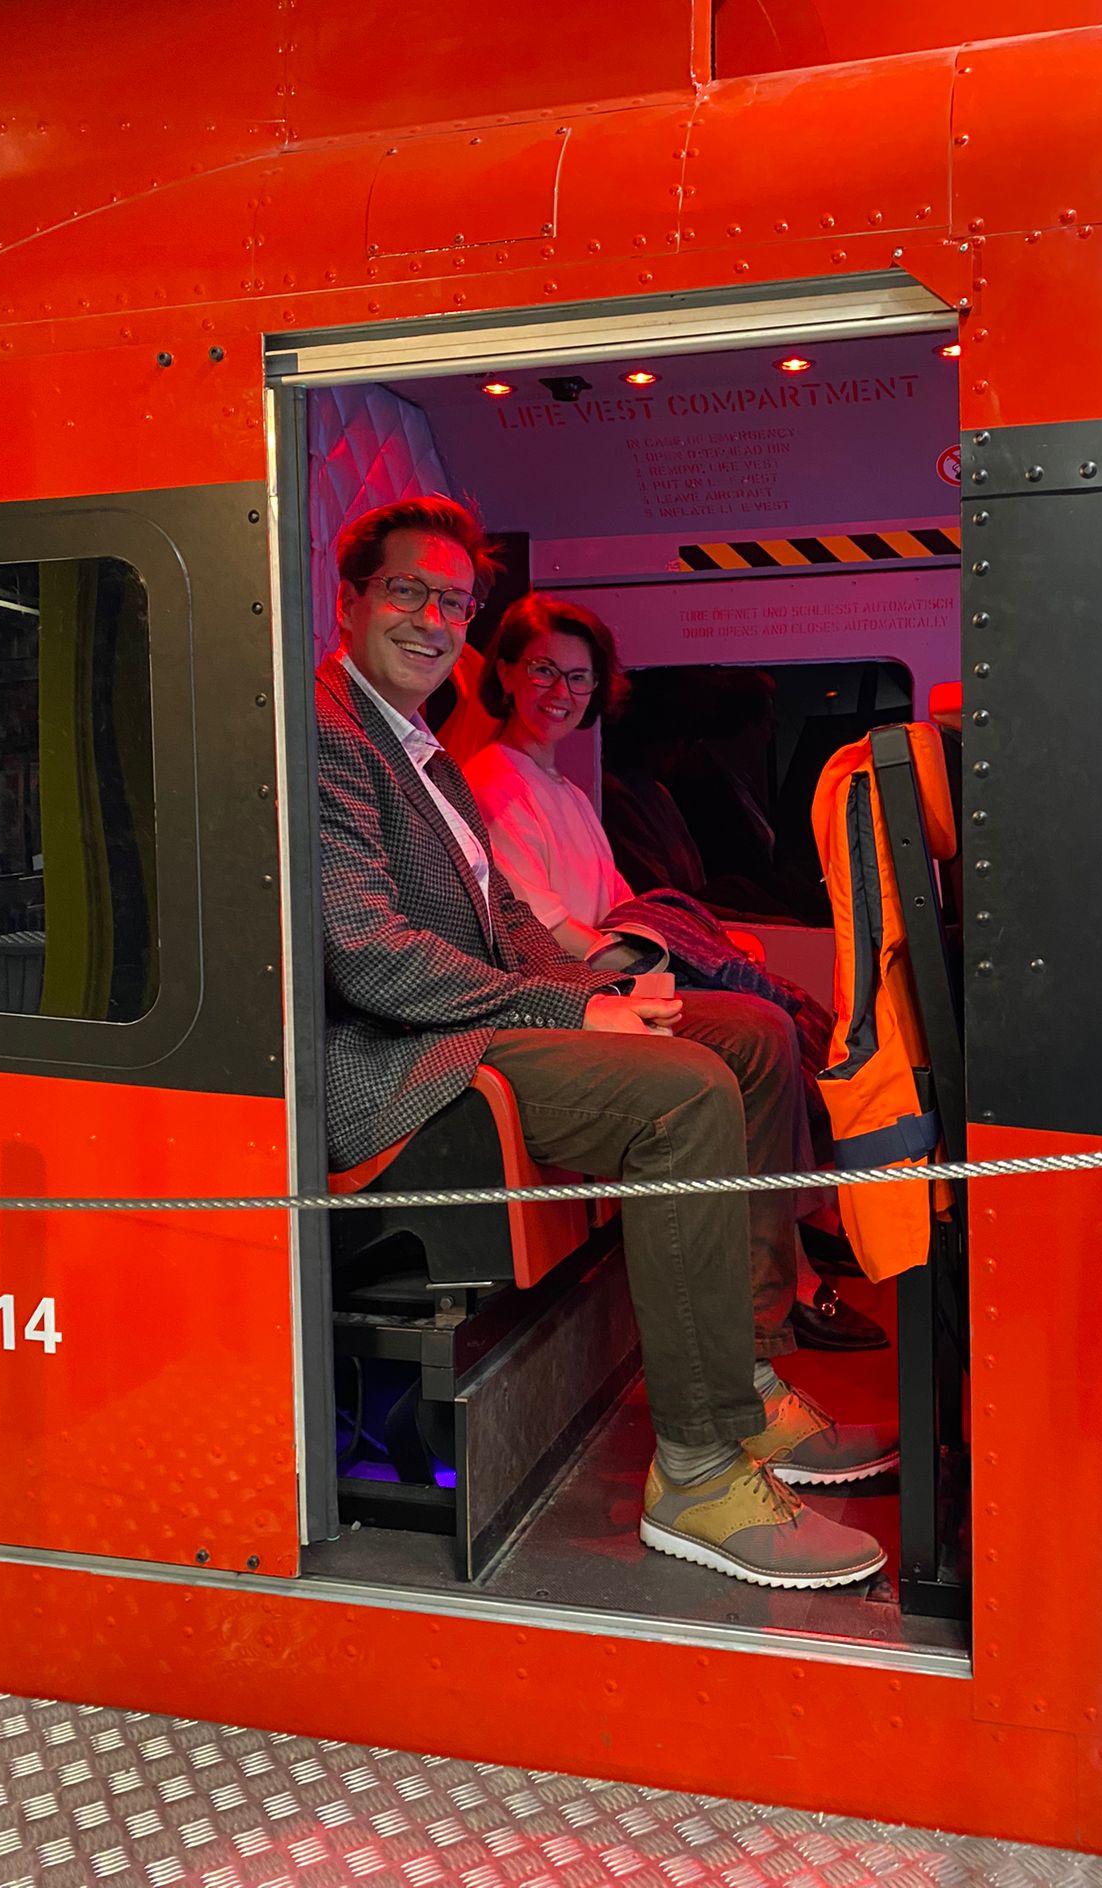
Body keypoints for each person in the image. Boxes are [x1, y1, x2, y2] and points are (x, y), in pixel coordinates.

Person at [317, 496, 893, 1590]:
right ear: (349, 601)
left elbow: (511, 923)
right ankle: (699, 1471)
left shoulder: (426, 750)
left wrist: (608, 989)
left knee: (755, 1033)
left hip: (476, 1021)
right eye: (407, 592)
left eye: (454, 602)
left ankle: (747, 1374)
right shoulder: (330, 736)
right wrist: (576, 1012)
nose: (433, 620)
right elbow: (371, 956)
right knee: (684, 1090)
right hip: (400, 1056)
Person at [463, 592, 889, 1354]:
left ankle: (803, 1219)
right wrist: (659, 976)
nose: (561, 692)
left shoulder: (563, 789)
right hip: (577, 997)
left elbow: (623, 904)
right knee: (760, 1030)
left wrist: (712, 945)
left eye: (579, 678)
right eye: (542, 671)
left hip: (612, 974)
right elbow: (549, 934)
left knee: (786, 1010)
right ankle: (782, 1282)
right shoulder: (495, 783)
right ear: (505, 673)